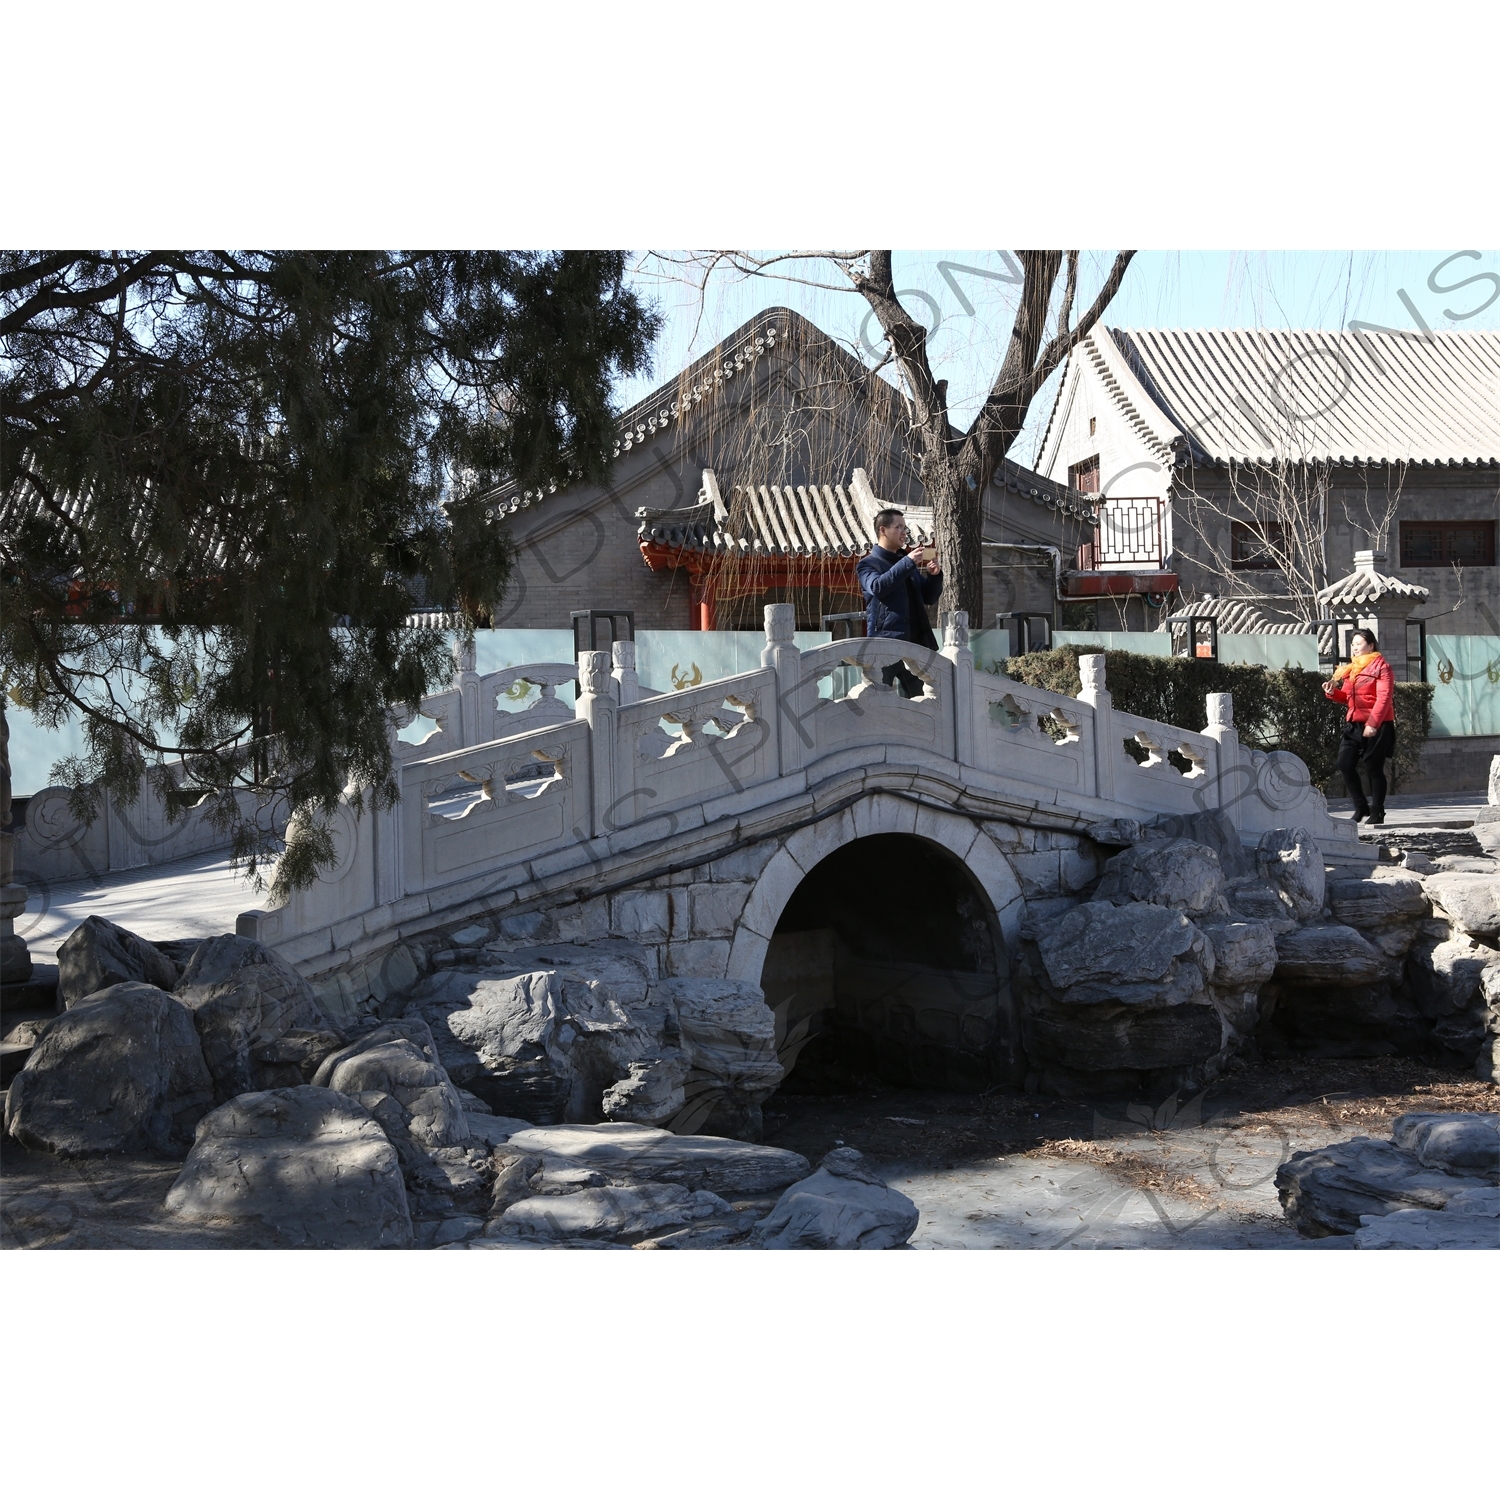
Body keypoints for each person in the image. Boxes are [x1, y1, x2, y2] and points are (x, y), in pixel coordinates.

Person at [857, 507, 943, 698]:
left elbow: (929, 598)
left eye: (905, 528)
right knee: (876, 702)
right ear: (883, 530)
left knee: (921, 702)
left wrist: (934, 576)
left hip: (915, 644)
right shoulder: (868, 564)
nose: (904, 533)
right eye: (899, 527)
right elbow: (878, 587)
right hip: (884, 643)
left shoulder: (905, 562)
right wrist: (908, 562)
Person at [1322, 628, 1396, 824]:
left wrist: (1373, 723)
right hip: (1354, 723)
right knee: (1344, 763)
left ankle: (1377, 812)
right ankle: (1360, 806)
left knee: (1374, 769)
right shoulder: (1351, 669)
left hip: (1377, 725)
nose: (1354, 648)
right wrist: (1332, 692)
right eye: (1352, 644)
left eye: (1359, 644)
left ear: (1371, 646)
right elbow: (1346, 697)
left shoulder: (1382, 667)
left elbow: (1384, 698)